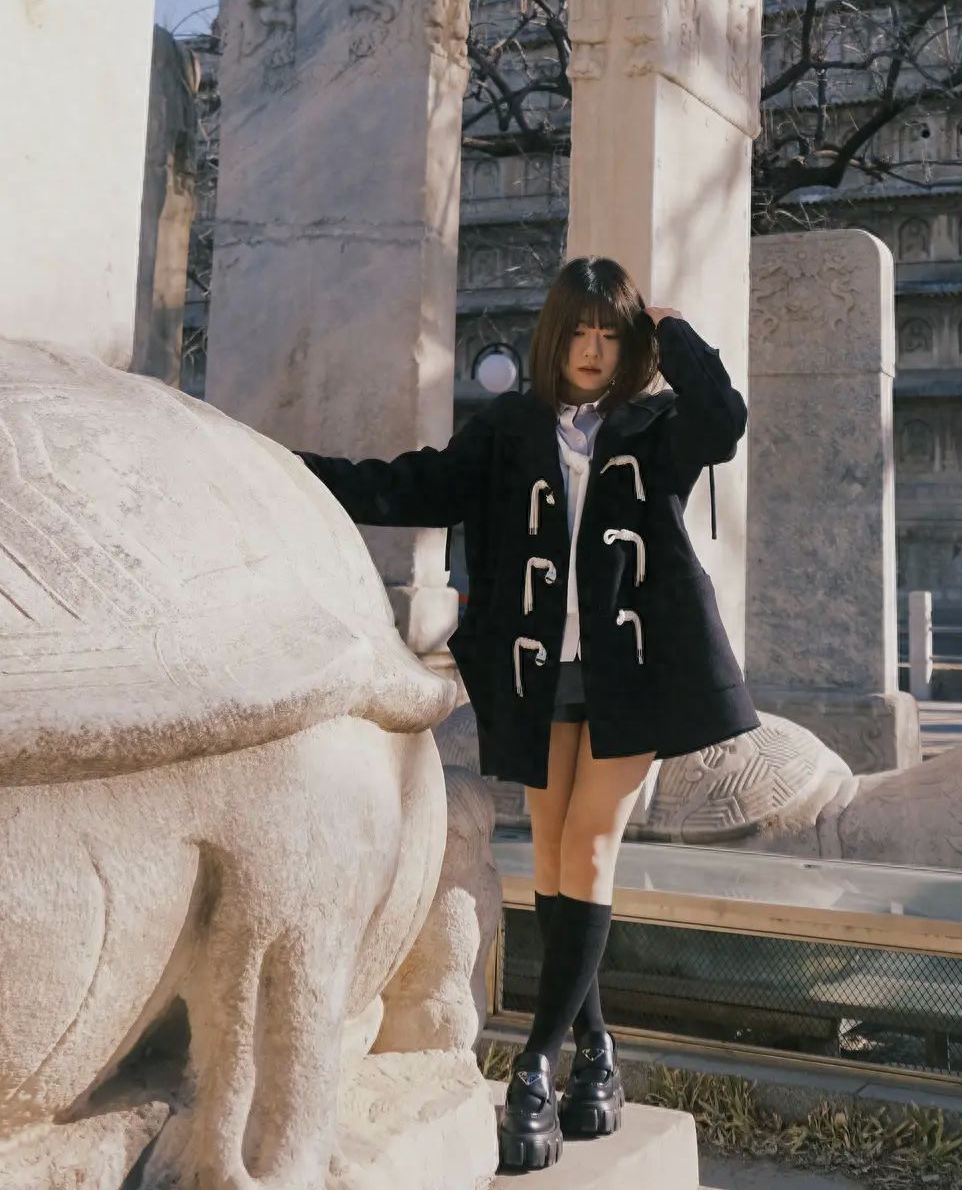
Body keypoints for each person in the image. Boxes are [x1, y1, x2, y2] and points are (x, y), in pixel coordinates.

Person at [299, 255, 759, 1172]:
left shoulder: (658, 427)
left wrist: (670, 329)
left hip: (634, 673)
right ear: (554, 337)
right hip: (537, 674)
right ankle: (598, 1052)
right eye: (579, 331)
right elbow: (411, 485)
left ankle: (536, 1068)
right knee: (551, 857)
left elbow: (726, 420)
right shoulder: (508, 429)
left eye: (610, 334)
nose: (592, 350)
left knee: (588, 847)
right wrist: (295, 472)